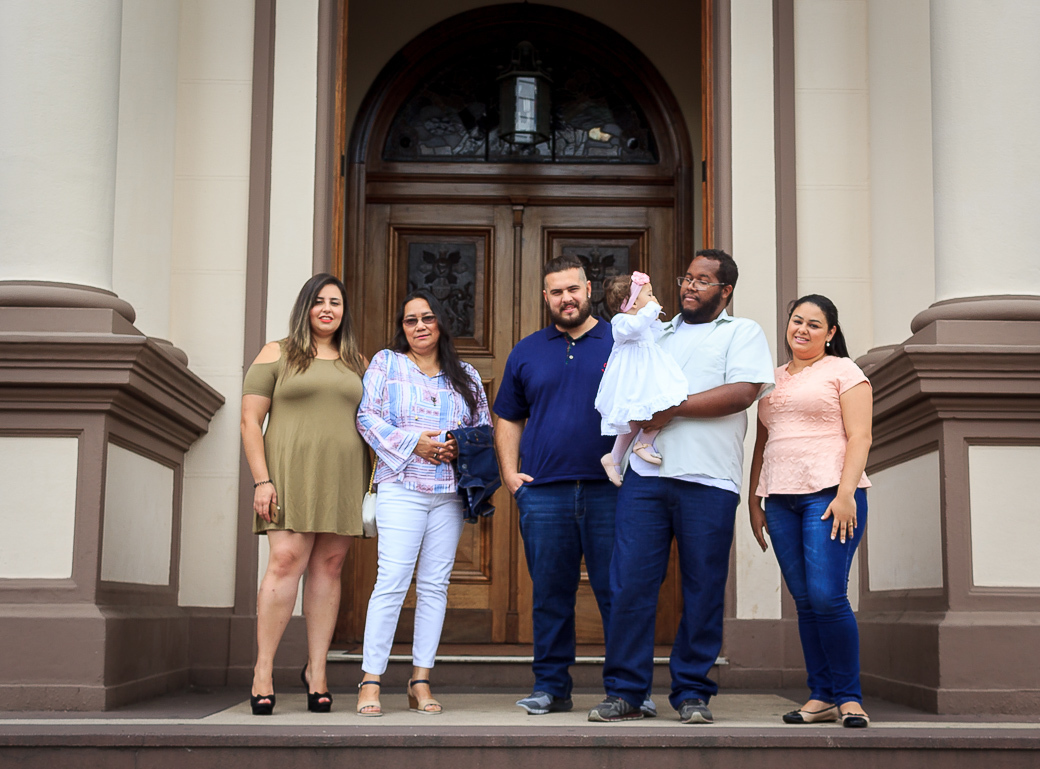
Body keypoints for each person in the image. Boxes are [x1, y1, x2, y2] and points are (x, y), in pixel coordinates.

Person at [589, 249, 775, 724]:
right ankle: (626, 692)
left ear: (725, 290)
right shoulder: (657, 330)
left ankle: (692, 692)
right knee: (629, 583)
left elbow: (744, 392)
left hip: (709, 479)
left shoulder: (742, 332)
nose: (690, 287)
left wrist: (670, 408)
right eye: (687, 278)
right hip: (646, 477)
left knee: (703, 587)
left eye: (702, 281)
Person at [495, 255, 655, 717]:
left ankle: (629, 689)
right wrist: (510, 475)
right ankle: (550, 686)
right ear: (546, 297)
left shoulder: (622, 337)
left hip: (613, 489)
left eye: (573, 289)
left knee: (618, 592)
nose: (566, 299)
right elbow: (508, 414)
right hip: (544, 492)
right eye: (556, 292)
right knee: (550, 594)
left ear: (588, 290)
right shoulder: (527, 350)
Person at [355, 289, 491, 717]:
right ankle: (370, 682)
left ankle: (420, 680)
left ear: (441, 324)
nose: (419, 327)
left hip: (448, 494)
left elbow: (483, 429)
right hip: (401, 487)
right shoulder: (386, 364)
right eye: (410, 320)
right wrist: (415, 444)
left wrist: (456, 447)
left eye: (427, 318)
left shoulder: (465, 376)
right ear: (402, 328)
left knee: (434, 587)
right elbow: (366, 417)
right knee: (392, 583)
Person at [241, 273, 368, 716]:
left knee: (329, 567)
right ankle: (263, 670)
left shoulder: (357, 361)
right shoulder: (277, 352)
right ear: (305, 308)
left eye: (335, 301)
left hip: (344, 477)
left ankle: (317, 671)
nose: (328, 309)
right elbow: (249, 421)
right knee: (285, 562)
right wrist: (262, 480)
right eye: (319, 301)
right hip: (289, 474)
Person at [748, 294, 872, 728]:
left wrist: (846, 493)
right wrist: (754, 498)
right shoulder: (771, 379)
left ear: (831, 333)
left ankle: (849, 697)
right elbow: (764, 442)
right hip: (780, 498)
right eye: (796, 321)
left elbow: (860, 437)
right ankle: (821, 695)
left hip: (830, 495)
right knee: (804, 600)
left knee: (827, 595)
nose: (802, 329)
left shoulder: (844, 371)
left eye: (814, 324)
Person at [595, 271, 689, 485]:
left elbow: (654, 334)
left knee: (665, 404)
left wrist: (653, 316)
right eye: (649, 294)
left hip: (648, 374)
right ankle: (622, 454)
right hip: (633, 378)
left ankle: (630, 449)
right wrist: (650, 311)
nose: (654, 299)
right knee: (639, 414)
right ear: (633, 303)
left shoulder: (643, 320)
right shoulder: (621, 321)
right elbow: (634, 327)